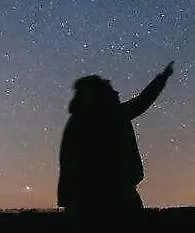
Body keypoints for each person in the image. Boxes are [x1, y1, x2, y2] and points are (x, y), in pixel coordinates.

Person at [57, 60, 175, 217]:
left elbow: (142, 101)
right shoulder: (91, 119)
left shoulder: (108, 114)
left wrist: (162, 78)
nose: (115, 91)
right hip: (101, 197)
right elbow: (70, 162)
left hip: (111, 193)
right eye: (109, 88)